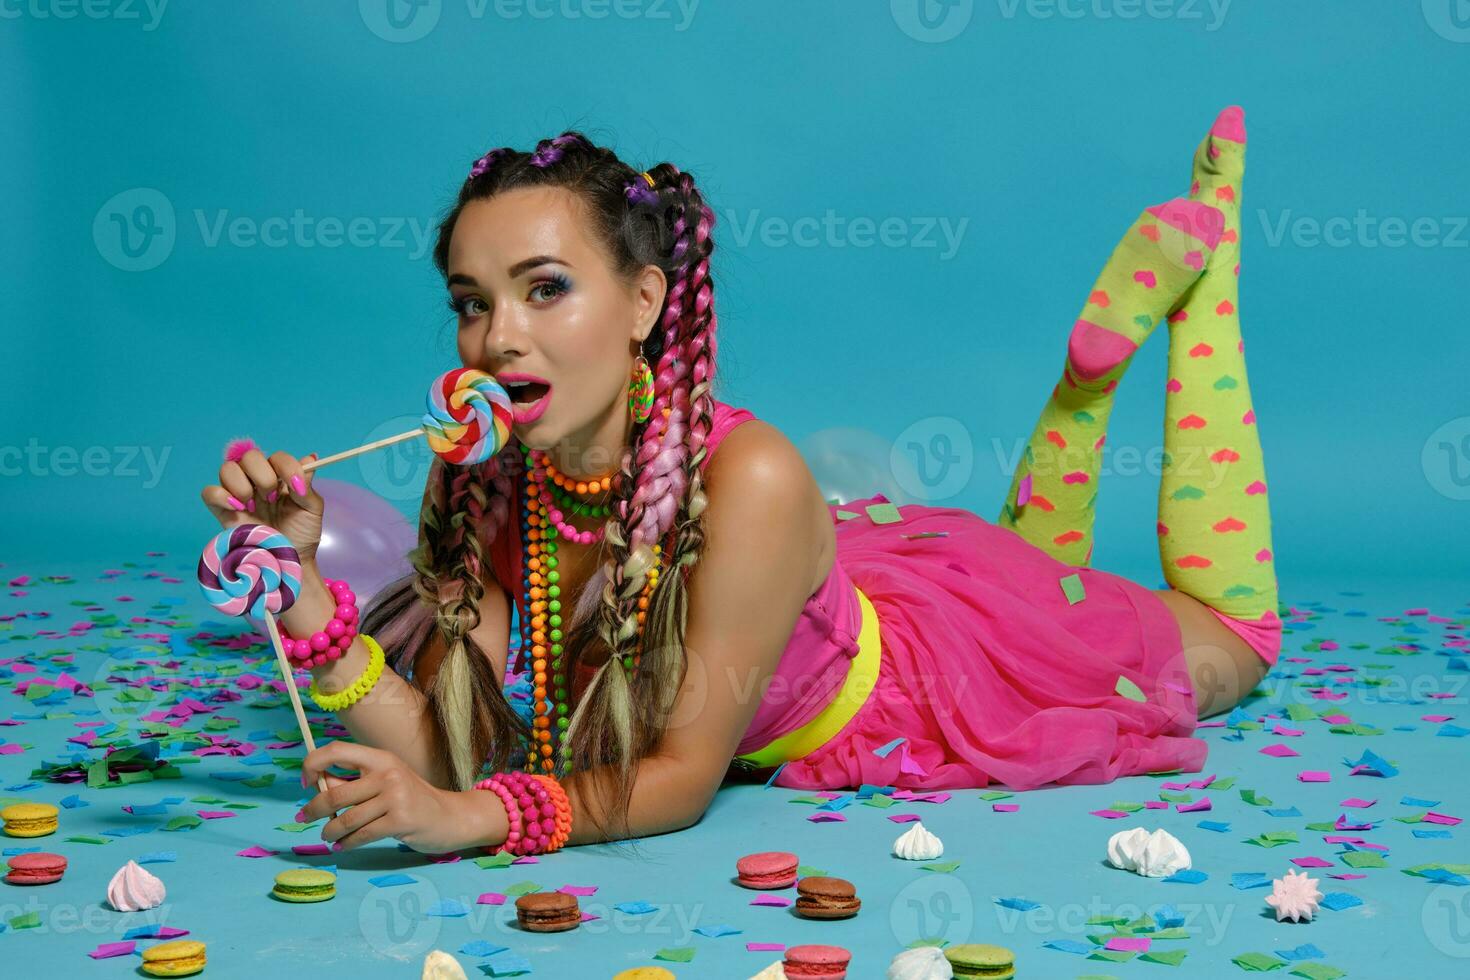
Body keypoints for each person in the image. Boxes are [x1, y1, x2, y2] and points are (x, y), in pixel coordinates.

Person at [200, 108, 1280, 856]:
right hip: (802, 592)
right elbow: (451, 742)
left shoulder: (750, 478)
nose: (498, 336)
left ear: (641, 304)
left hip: (926, 679)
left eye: (545, 289)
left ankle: (1200, 281)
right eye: (472, 301)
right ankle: (1074, 426)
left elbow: (676, 774)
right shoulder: (505, 486)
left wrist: (475, 817)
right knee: (1049, 567)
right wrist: (298, 587)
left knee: (1235, 637)